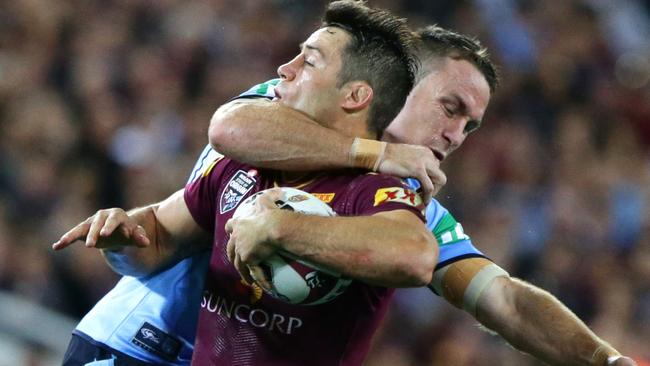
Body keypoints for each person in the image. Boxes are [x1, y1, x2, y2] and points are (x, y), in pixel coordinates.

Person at [54, 13, 637, 366]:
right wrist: (376, 151)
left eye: (471, 125)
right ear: (398, 84)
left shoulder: (405, 207)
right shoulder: (286, 107)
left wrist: (604, 358)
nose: (457, 136)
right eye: (451, 108)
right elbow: (230, 128)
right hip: (132, 343)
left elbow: (503, 298)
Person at [54, 1, 437, 365]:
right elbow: (155, 240)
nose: (285, 68)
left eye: (310, 61)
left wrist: (282, 228)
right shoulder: (245, 165)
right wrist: (121, 238)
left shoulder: (370, 190)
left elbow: (415, 256)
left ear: (355, 96)